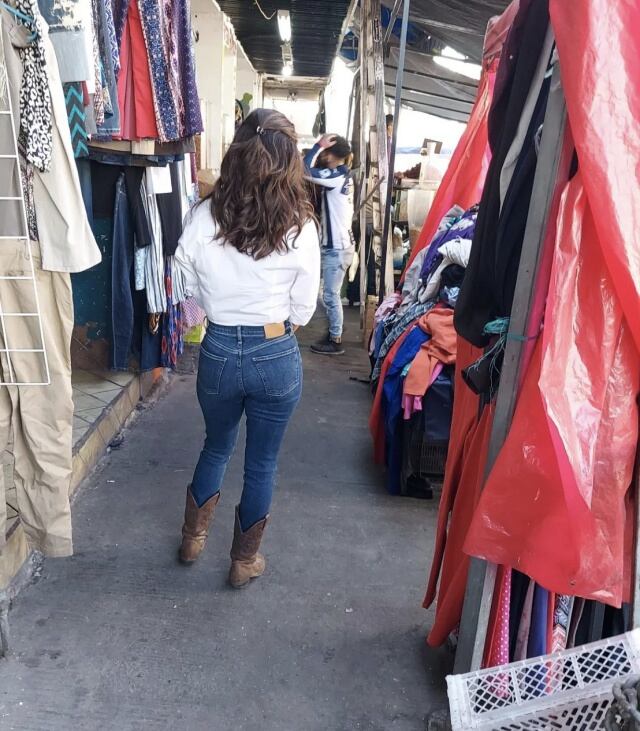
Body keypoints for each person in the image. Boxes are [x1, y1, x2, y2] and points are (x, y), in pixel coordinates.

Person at [174, 109, 320, 589]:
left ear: (235, 154)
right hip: (275, 350)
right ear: (289, 161)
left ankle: (193, 539)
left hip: (217, 346)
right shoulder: (300, 224)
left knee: (215, 444)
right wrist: (282, 325)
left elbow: (182, 277)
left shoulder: (203, 216)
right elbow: (305, 305)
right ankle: (243, 561)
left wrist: (215, 304)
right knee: (262, 462)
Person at [304, 134, 355, 356]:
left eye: (327, 152)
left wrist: (317, 146)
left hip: (337, 248)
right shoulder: (344, 176)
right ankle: (335, 328)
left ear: (333, 155)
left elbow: (304, 170)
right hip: (338, 246)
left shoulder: (335, 177)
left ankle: (335, 340)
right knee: (326, 294)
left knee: (330, 295)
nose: (324, 156)